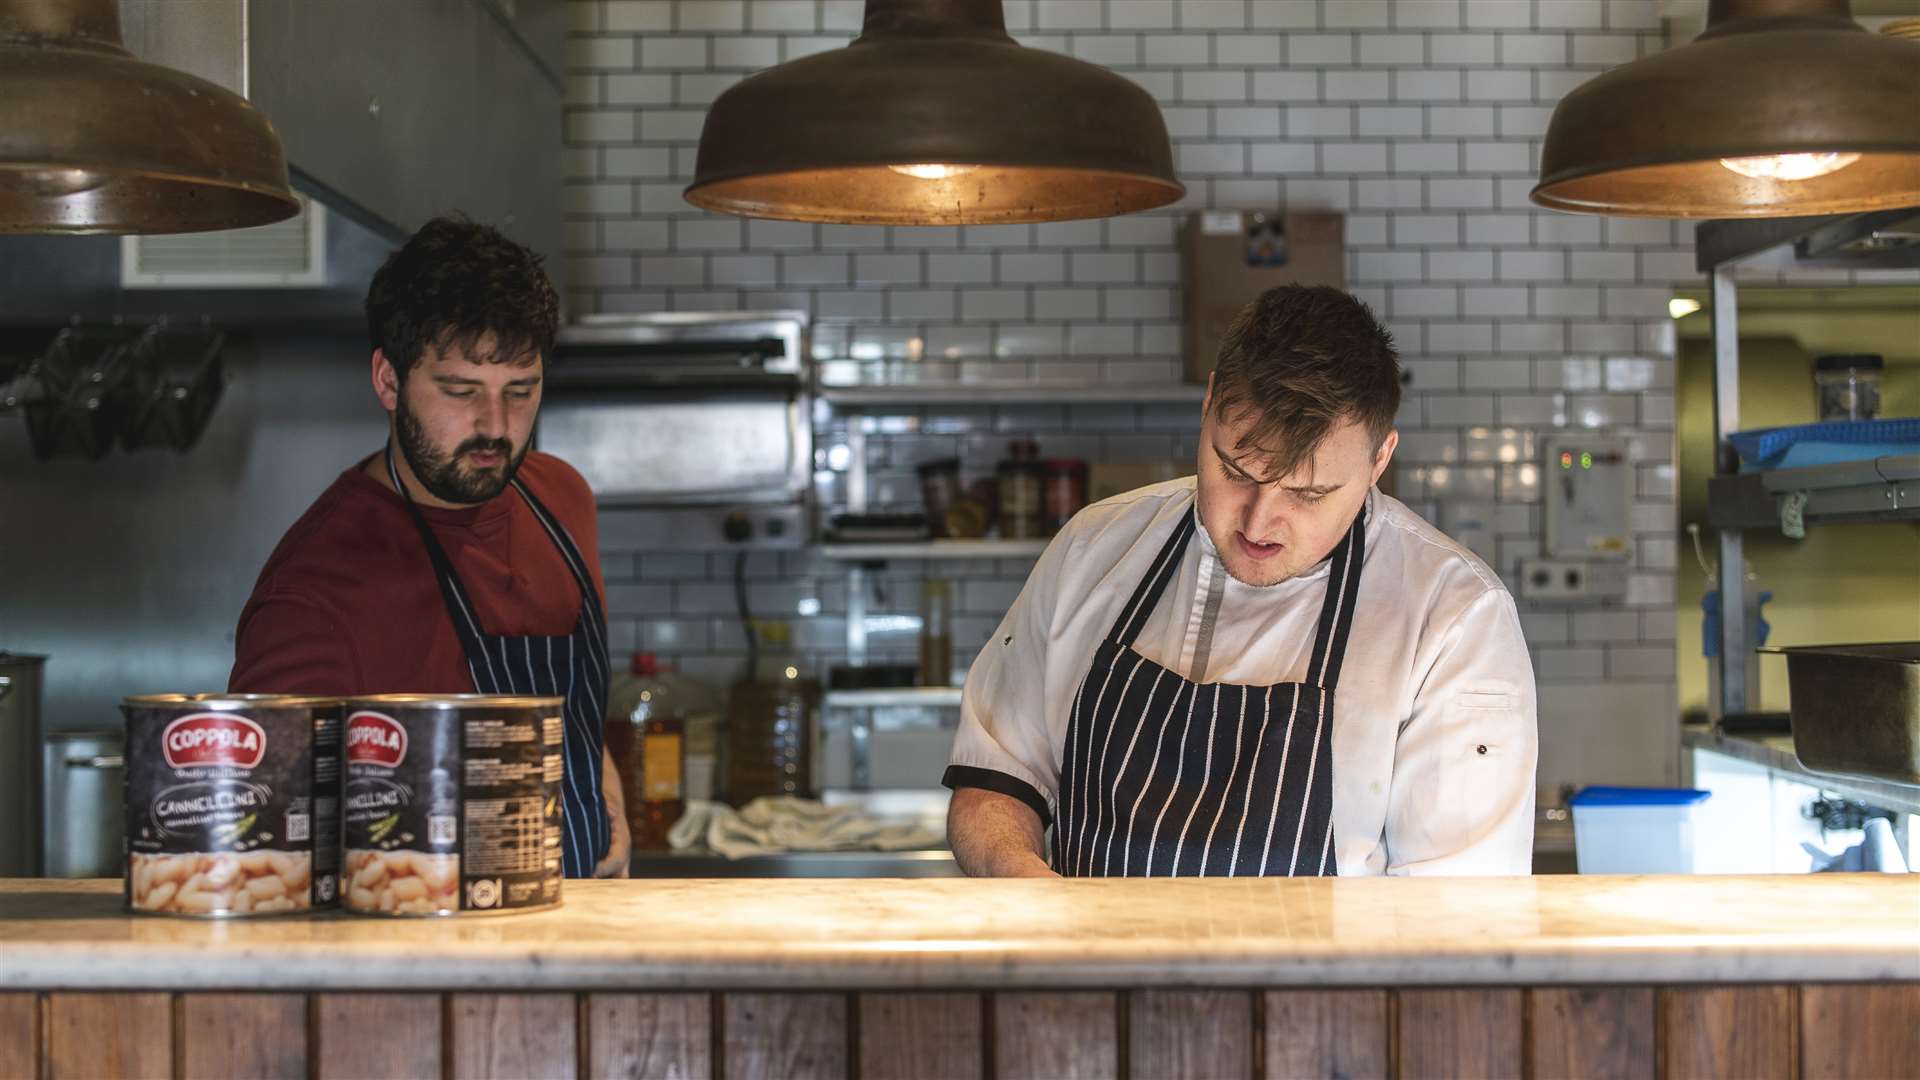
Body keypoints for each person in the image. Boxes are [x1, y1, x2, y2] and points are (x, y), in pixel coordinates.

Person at [943, 285, 1537, 878]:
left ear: (1380, 459)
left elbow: (1457, 921)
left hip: (1322, 975)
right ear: (1207, 407)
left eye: (1308, 494)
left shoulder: (1454, 616)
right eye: (1235, 471)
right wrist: (1026, 887)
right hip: (1094, 971)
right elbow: (998, 782)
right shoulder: (1090, 550)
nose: (1259, 522)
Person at [230, 215, 629, 878]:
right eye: (460, 392)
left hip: (584, 939)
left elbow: (570, 708)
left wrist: (602, 782)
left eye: (520, 391)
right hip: (435, 959)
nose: (495, 428)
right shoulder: (315, 590)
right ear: (388, 382)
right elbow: (266, 848)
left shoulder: (562, 498)